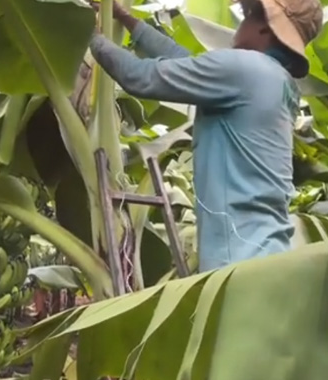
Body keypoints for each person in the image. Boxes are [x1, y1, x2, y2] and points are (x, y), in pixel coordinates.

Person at [89, 0, 323, 272]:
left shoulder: (245, 69)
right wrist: (126, 18)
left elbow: (139, 76)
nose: (240, 23)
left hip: (237, 262)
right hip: (267, 254)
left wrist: (88, 35)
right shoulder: (278, 81)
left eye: (247, 16)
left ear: (265, 29)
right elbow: (185, 61)